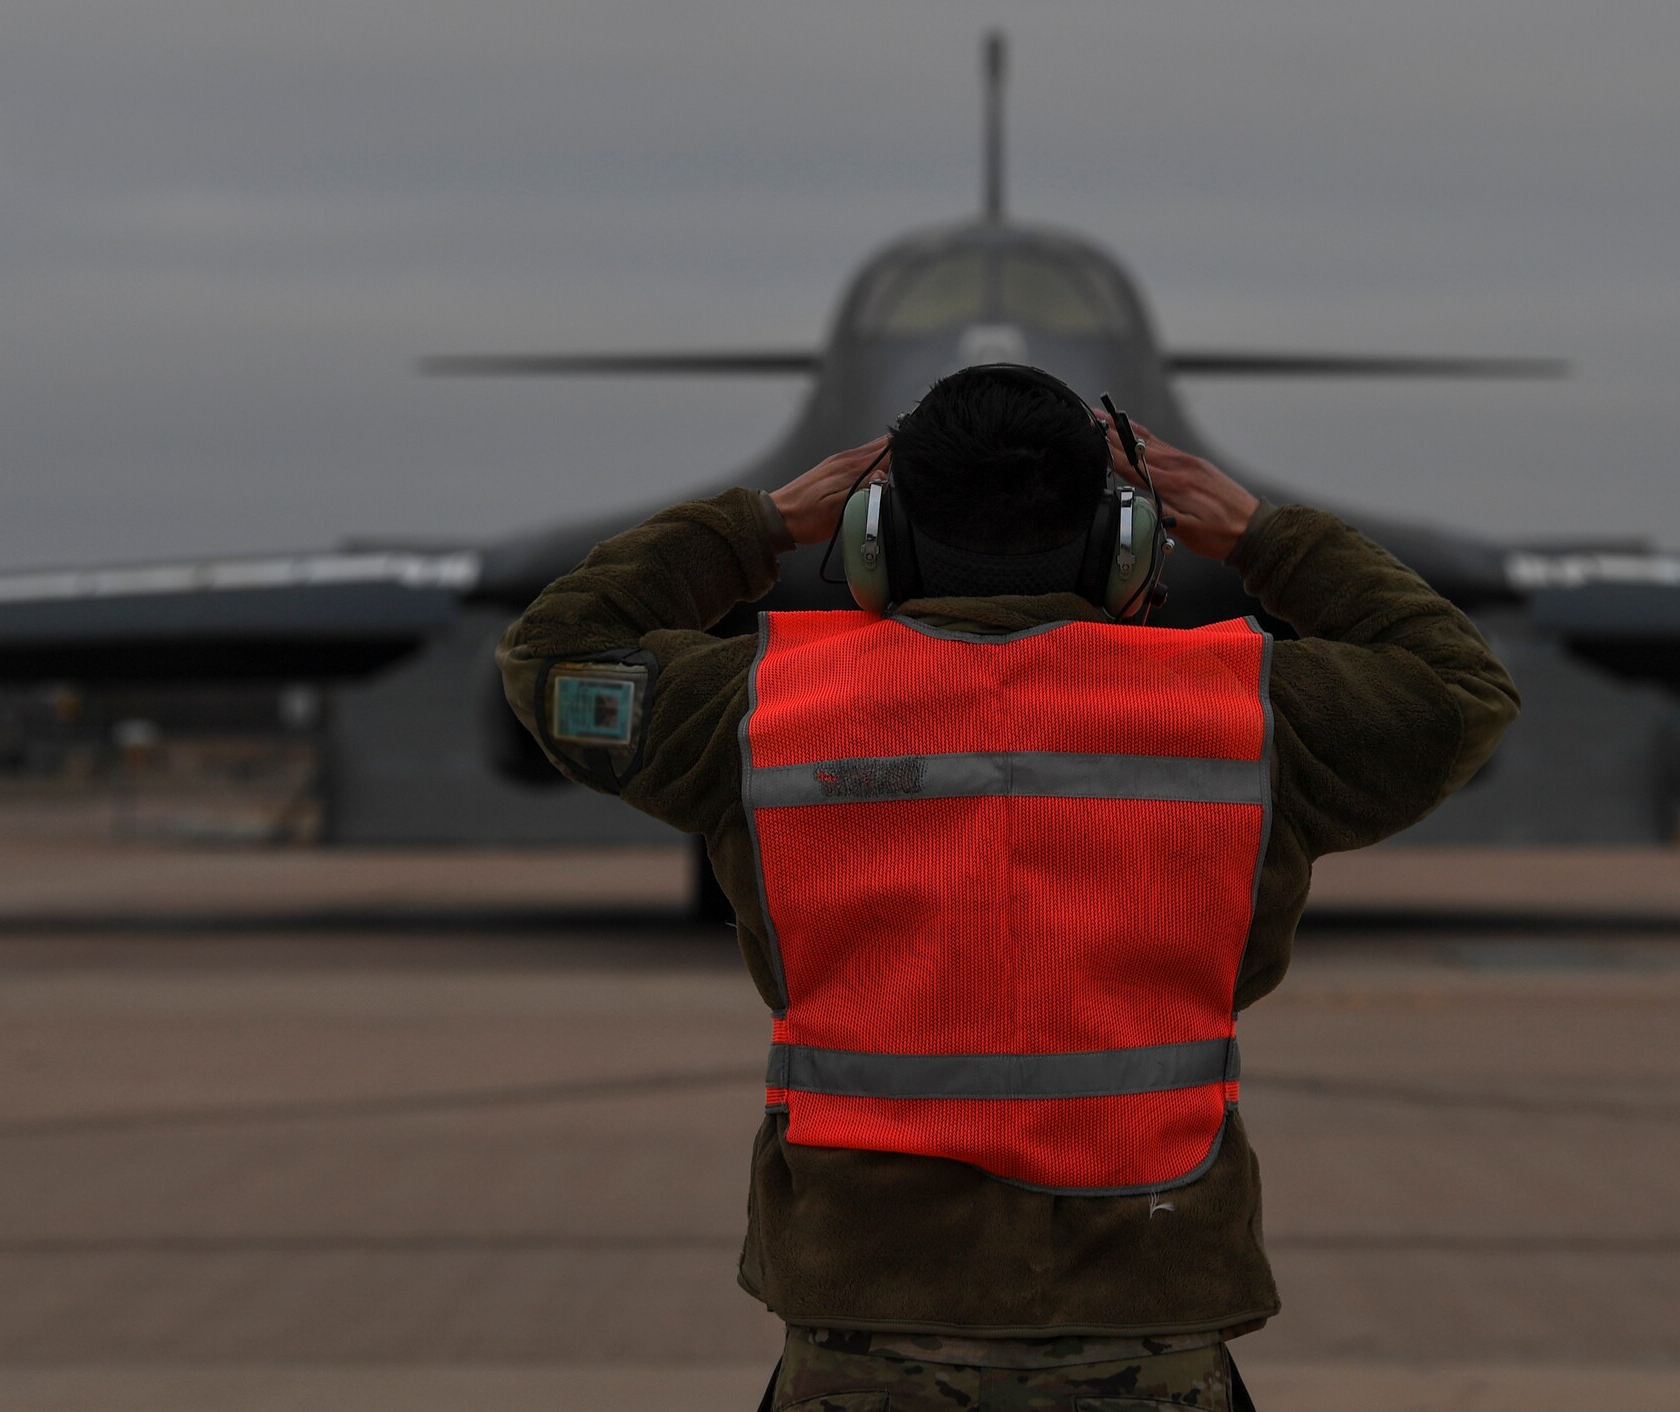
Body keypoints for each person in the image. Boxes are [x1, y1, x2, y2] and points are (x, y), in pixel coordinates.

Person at [496, 364, 1520, 1410]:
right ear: (1122, 541)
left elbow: (553, 653)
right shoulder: (1247, 713)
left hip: (866, 1328)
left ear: (873, 533)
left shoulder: (758, 709)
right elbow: (1459, 687)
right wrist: (1263, 537)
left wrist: (758, 522)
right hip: (1145, 1319)